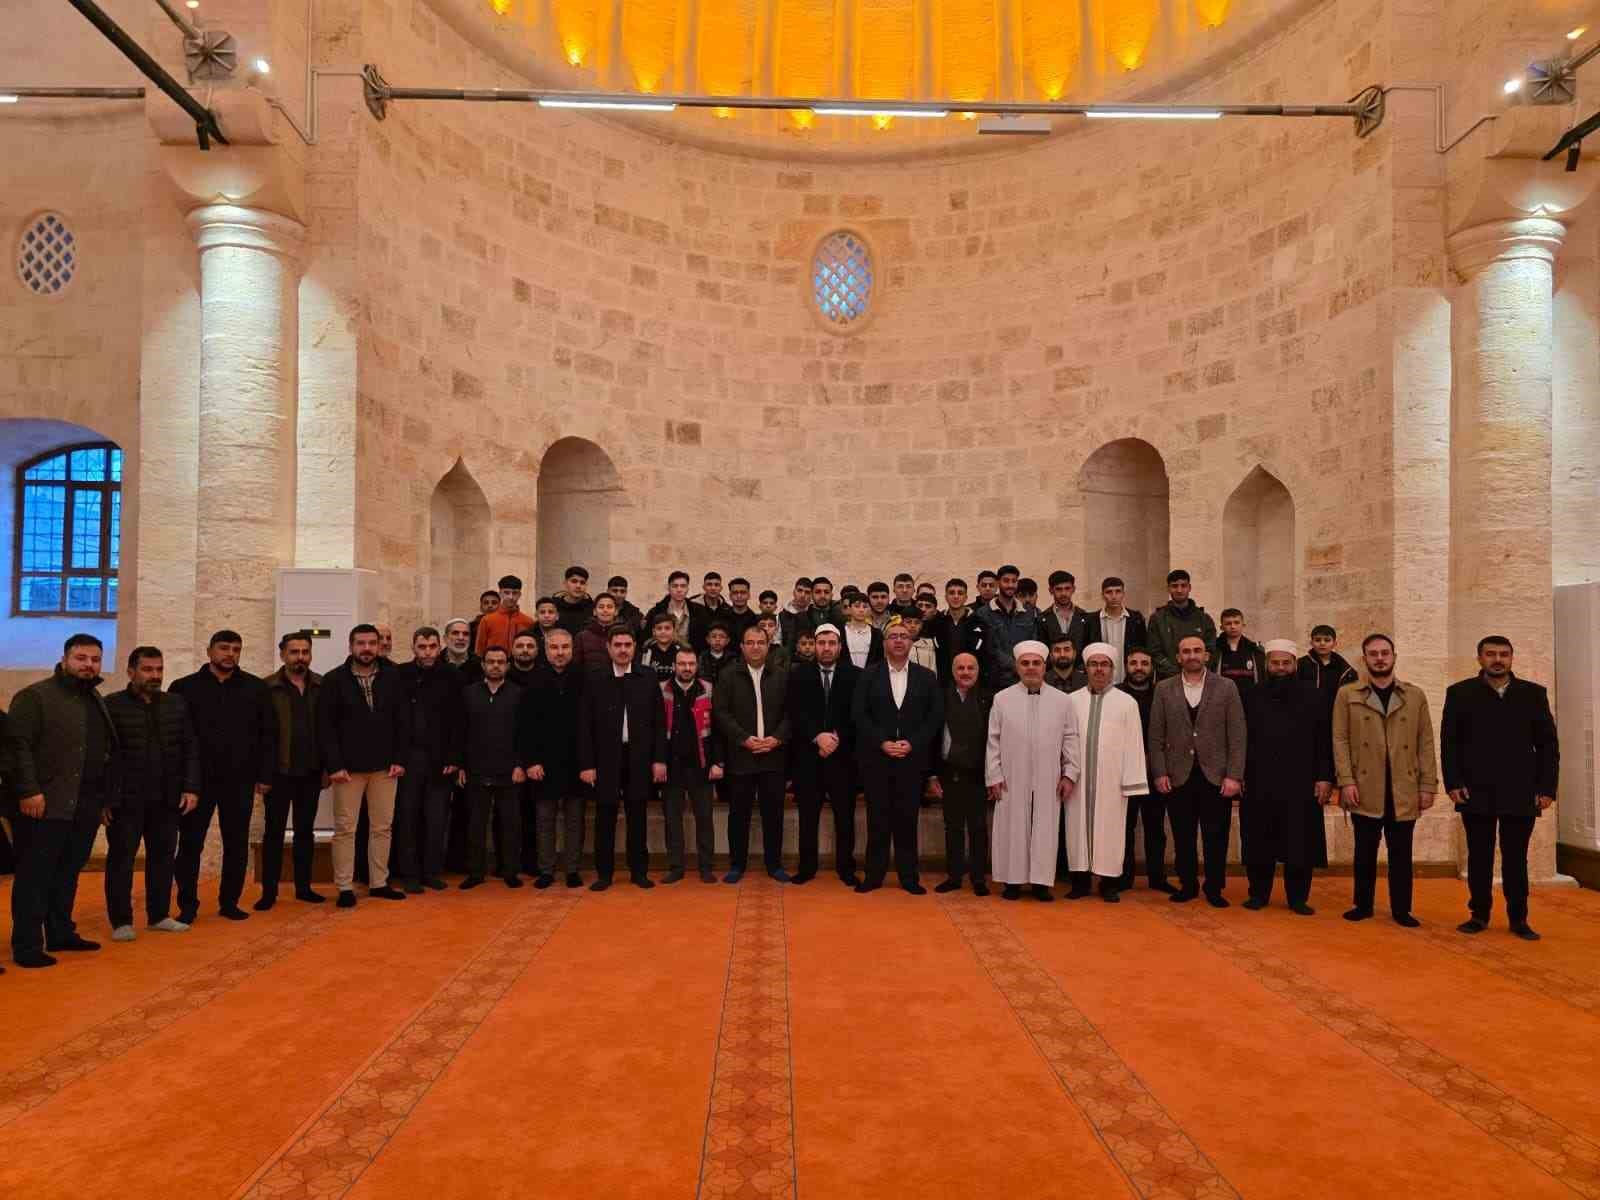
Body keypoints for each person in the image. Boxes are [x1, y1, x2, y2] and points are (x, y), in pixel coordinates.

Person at [4, 634, 117, 968]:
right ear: (66, 659)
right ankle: (26, 945)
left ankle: (61, 932)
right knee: (34, 876)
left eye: (95, 659)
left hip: (83, 805)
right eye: (81, 658)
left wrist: (103, 800)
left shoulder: (95, 698)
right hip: (43, 804)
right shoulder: (34, 697)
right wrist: (28, 791)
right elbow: (17, 748)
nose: (88, 665)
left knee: (68, 873)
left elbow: (104, 752)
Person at [1441, 635, 1559, 940]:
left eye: (1503, 654)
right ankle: (1478, 915)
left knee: (1516, 858)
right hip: (1474, 789)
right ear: (1479, 658)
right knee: (1479, 856)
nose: (1497, 659)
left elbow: (1547, 746)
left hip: (1521, 790)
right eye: (1490, 654)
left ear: (1511, 658)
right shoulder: (1459, 693)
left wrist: (1546, 788)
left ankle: (1519, 919)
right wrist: (1453, 783)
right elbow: (1449, 744)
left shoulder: (1533, 694)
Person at [1332, 633, 1437, 927]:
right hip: (1365, 785)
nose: (1380, 658)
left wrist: (1428, 785)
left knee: (1401, 853)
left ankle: (1402, 909)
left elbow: (1425, 742)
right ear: (1364, 659)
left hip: (1404, 785)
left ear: (1394, 656)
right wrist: (1346, 781)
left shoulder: (1414, 695)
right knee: (1364, 850)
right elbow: (1339, 739)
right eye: (1373, 654)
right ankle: (1362, 905)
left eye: (1385, 653)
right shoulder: (1348, 694)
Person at [170, 629, 274, 923]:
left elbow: (268, 735)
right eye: (224, 648)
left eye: (236, 649)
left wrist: (264, 775)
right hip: (196, 782)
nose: (230, 654)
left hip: (239, 780)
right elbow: (174, 737)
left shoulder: (255, 688)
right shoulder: (184, 687)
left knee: (237, 843)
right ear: (210, 651)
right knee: (190, 844)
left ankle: (230, 902)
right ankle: (187, 906)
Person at [103, 645, 202, 939]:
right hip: (126, 799)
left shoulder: (176, 703)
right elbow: (103, 756)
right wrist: (105, 798)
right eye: (147, 669)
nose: (155, 675)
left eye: (159, 669)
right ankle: (121, 922)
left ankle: (159, 915)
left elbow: (190, 748)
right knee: (121, 860)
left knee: (163, 858)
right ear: (131, 672)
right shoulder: (111, 705)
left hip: (167, 797)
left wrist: (191, 787)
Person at [1148, 634, 1247, 906]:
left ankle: (1214, 888)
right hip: (1178, 775)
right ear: (1178, 657)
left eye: (1197, 650)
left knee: (1216, 836)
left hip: (1216, 776)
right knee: (1183, 835)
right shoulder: (1164, 689)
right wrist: (1159, 772)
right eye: (1186, 651)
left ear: (1206, 655)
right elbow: (1155, 736)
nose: (1191, 655)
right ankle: (1188, 885)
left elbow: (1237, 735)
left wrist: (1234, 775)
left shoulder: (1226, 687)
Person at [318, 623, 410, 908]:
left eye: (372, 643)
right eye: (361, 643)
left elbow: (403, 721)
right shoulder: (334, 680)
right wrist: (334, 765)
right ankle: (345, 886)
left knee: (382, 827)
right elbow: (326, 727)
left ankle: (379, 882)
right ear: (351, 646)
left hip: (386, 767)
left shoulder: (393, 676)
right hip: (348, 769)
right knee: (346, 828)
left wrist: (400, 759)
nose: (367, 648)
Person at [852, 619, 944, 894]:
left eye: (904, 636)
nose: (899, 641)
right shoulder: (868, 675)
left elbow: (934, 717)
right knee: (877, 819)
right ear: (884, 643)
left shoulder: (927, 677)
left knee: (907, 820)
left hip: (911, 760)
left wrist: (912, 744)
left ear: (912, 642)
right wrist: (882, 742)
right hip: (876, 760)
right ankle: (874, 876)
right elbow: (859, 714)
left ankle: (908, 877)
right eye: (893, 636)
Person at [1240, 641, 1332, 914]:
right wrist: (1239, 774)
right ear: (1266, 665)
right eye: (1275, 663)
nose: (1280, 668)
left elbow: (1324, 740)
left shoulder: (1315, 696)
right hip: (1259, 780)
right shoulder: (1251, 695)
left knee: (1300, 840)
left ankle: (1298, 898)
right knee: (1258, 839)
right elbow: (1241, 739)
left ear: (1295, 665)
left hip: (1302, 781)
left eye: (1286, 663)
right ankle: (1258, 894)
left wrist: (1325, 777)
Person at [577, 625, 668, 890]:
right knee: (605, 816)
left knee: (637, 815)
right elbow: (585, 724)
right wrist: (587, 764)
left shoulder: (647, 676)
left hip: (639, 758)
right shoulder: (595, 677)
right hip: (605, 759)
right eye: (617, 645)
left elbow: (659, 722)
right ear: (608, 647)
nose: (623, 650)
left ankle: (639, 872)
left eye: (628, 645)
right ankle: (604, 874)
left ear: (635, 648)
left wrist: (659, 760)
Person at [986, 640, 1078, 901]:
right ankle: (1012, 882)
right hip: (1011, 777)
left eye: (1036, 663)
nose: (1031, 668)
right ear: (1017, 666)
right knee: (1012, 827)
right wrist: (994, 775)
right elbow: (993, 740)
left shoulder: (1063, 701)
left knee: (1045, 828)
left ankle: (1041, 883)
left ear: (1044, 666)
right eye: (1025, 663)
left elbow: (1070, 738)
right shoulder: (1001, 699)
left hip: (1049, 776)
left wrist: (1069, 774)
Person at [1062, 644, 1148, 902]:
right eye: (1094, 664)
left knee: (1111, 831)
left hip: (1112, 781)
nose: (1099, 669)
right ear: (1086, 668)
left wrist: (1131, 782)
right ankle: (1080, 883)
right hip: (1077, 780)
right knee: (1075, 830)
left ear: (1112, 669)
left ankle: (1109, 884)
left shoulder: (1127, 702)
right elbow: (1064, 740)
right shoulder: (1071, 700)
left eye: (1105, 664)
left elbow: (1135, 743)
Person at [713, 625, 792, 883]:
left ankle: (774, 864)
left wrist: (777, 738)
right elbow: (721, 713)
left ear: (768, 646)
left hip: (773, 756)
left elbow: (791, 713)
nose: (755, 647)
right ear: (742, 646)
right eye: (750, 642)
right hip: (741, 756)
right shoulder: (727, 676)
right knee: (739, 815)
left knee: (773, 815)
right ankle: (737, 865)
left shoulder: (781, 676)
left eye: (760, 642)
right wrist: (744, 739)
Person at [787, 624, 861, 886]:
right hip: (809, 758)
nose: (827, 648)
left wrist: (837, 737)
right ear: (814, 646)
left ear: (840, 647)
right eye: (822, 643)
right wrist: (817, 736)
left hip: (844, 760)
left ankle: (846, 868)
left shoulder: (855, 675)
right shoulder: (797, 675)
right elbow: (795, 712)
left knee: (845, 818)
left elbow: (859, 714)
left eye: (832, 643)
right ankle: (806, 868)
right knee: (808, 817)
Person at [394, 626, 464, 894]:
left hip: (441, 759)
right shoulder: (400, 675)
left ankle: (431, 871)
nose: (427, 652)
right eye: (422, 647)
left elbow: (460, 720)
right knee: (408, 817)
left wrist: (455, 757)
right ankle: (410, 873)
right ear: (413, 647)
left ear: (440, 646)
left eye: (432, 646)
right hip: (409, 758)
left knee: (436, 819)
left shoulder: (452, 676)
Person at [260, 632, 326, 908]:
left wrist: (326, 769)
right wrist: (262, 775)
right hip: (278, 774)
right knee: (273, 833)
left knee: (304, 833)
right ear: (282, 654)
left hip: (310, 772)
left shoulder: (322, 686)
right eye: (294, 652)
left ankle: (304, 888)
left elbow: (327, 731)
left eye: (305, 651)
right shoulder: (267, 688)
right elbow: (260, 735)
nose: (300, 657)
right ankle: (269, 893)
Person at [457, 646, 528, 888]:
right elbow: (461, 732)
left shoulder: (518, 694)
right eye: (491, 661)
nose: (496, 665)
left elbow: (523, 733)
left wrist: (520, 764)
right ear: (483, 665)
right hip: (476, 768)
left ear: (507, 666)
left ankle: (509, 872)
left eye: (500, 662)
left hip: (509, 769)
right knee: (476, 823)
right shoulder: (468, 694)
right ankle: (475, 873)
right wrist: (461, 766)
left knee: (510, 824)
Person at [523, 627, 586, 888]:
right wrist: (531, 761)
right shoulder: (533, 679)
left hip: (576, 762)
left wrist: (588, 763)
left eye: (565, 647)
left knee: (574, 821)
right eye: (554, 648)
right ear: (545, 650)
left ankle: (572, 869)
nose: (560, 653)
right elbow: (525, 726)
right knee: (545, 821)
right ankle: (546, 870)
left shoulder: (584, 678)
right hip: (543, 763)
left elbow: (589, 725)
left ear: (572, 649)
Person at [931, 652, 993, 895]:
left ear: (978, 671)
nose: (965, 672)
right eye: (960, 668)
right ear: (953, 671)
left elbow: (995, 740)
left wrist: (993, 775)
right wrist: (933, 774)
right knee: (952, 826)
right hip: (949, 771)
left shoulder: (989, 698)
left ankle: (978, 878)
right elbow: (933, 737)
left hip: (979, 772)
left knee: (978, 827)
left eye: (971, 668)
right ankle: (954, 876)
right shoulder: (941, 697)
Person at [660, 647, 724, 883]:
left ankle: (706, 867)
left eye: (691, 664)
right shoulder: (662, 690)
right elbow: (656, 730)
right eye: (682, 664)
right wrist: (658, 762)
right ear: (674, 666)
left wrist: (718, 762)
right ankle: (676, 867)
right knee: (672, 819)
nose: (687, 668)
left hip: (702, 764)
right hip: (671, 765)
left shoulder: (708, 689)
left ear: (697, 666)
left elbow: (718, 730)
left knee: (704, 819)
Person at [1116, 648, 1169, 892]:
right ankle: (1122, 878)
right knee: (1124, 827)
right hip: (1123, 771)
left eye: (1144, 663)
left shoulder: (1163, 692)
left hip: (1154, 771)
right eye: (1134, 663)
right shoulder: (1115, 694)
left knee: (1155, 827)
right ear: (1126, 665)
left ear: (1152, 666)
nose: (1139, 668)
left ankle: (1157, 878)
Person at [975, 564, 1040, 687]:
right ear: (998, 582)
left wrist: (1024, 664)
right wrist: (1014, 665)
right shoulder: (983, 613)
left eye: (1014, 581)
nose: (1010, 585)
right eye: (1006, 581)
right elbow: (989, 647)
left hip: (1024, 678)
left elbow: (1033, 641)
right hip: (995, 680)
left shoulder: (1029, 612)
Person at [1147, 570, 1218, 680]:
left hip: (1199, 680)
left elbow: (1211, 651)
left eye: (1183, 586)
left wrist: (1195, 671)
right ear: (1168, 589)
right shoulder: (1157, 619)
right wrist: (1177, 674)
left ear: (1189, 588)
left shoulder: (1204, 619)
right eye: (1174, 586)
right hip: (1168, 680)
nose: (1179, 590)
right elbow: (1154, 652)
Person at [1084, 577, 1147, 685]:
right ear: (1102, 595)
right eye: (1109, 592)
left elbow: (1143, 649)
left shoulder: (1136, 619)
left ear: (1123, 594)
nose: (1113, 596)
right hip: (1100, 681)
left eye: (1118, 592)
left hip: (1129, 681)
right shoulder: (1091, 620)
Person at [1296, 625, 1357, 716]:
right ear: (1311, 643)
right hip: (1306, 716)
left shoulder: (1344, 668)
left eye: (1327, 640)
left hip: (1334, 716)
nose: (1322, 643)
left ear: (1334, 643)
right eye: (1317, 640)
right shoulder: (1300, 664)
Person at [647, 570, 710, 652]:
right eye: (675, 586)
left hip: (691, 659)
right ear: (668, 588)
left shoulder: (700, 612)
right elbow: (648, 638)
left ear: (687, 589)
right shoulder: (656, 612)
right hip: (664, 660)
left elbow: (704, 640)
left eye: (683, 586)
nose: (679, 590)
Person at [474, 574, 536, 657]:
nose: (511, 597)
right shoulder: (487, 620)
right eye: (507, 592)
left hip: (519, 666)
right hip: (493, 665)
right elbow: (479, 650)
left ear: (519, 595)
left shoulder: (528, 622)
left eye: (515, 593)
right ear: (500, 593)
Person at [1214, 609, 1265, 694]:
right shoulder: (1214, 650)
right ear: (1221, 627)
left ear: (1243, 625)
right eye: (1228, 623)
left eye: (1236, 622)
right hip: (1223, 698)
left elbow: (1261, 678)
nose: (1233, 626)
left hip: (1250, 698)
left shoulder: (1255, 650)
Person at [1040, 571, 1091, 654]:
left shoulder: (1085, 617)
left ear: (1073, 589)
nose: (1063, 593)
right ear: (1051, 591)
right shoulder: (1042, 619)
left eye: (1067, 588)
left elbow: (1088, 648)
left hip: (1079, 666)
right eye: (1058, 589)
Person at [575, 594, 620, 673]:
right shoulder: (582, 636)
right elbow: (576, 666)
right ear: (594, 611)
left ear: (616, 611)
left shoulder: (624, 636)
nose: (605, 610)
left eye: (609, 607)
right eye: (601, 607)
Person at [841, 591, 885, 668]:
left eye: (865, 607)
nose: (861, 610)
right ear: (849, 608)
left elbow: (879, 660)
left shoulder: (877, 634)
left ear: (869, 610)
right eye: (857, 606)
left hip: (870, 677)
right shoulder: (840, 632)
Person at [639, 613, 683, 683]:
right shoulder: (647, 652)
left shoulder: (680, 651)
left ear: (674, 631)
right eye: (659, 628)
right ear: (653, 632)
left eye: (667, 628)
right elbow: (643, 677)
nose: (663, 631)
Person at [553, 565, 595, 634]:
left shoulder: (592, 609)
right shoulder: (553, 607)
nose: (578, 586)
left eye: (582, 583)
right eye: (574, 581)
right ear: (565, 583)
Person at [606, 575, 645, 640]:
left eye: (622, 591)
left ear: (626, 592)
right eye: (615, 591)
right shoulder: (599, 610)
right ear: (608, 591)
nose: (619, 595)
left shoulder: (635, 614)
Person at [442, 618, 481, 683]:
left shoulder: (480, 665)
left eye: (466, 634)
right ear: (445, 638)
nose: (461, 638)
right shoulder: (436, 663)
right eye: (455, 633)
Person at [779, 577, 813, 648]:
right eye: (799, 590)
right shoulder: (781, 616)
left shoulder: (814, 614)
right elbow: (779, 642)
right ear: (794, 592)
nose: (803, 595)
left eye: (807, 592)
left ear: (811, 596)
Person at [723, 578, 760, 642]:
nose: (739, 596)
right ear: (730, 596)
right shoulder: (722, 618)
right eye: (735, 593)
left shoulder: (755, 620)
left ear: (749, 595)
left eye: (743, 592)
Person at [466, 590, 499, 657]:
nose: (490, 606)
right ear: (481, 607)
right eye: (486, 603)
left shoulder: (505, 625)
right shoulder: (471, 627)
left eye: (494, 603)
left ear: (500, 606)